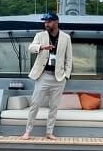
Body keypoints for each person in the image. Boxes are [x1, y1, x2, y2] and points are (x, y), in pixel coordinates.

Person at [21, 12, 73, 140]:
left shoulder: (66, 37)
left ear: (56, 22)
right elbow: (30, 48)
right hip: (43, 75)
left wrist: (66, 75)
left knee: (54, 106)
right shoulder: (40, 35)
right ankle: (27, 131)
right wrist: (42, 47)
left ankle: (49, 132)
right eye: (45, 22)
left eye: (49, 22)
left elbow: (69, 58)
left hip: (59, 77)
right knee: (35, 104)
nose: (46, 24)